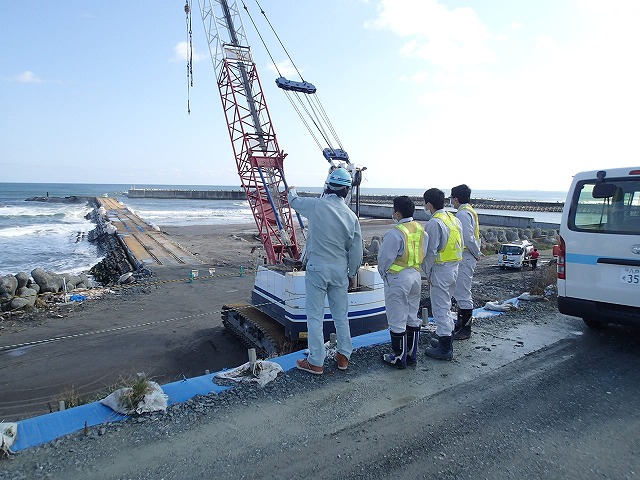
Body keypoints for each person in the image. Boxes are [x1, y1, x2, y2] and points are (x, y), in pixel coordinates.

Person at [287, 167, 363, 375]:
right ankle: (343, 357)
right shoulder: (351, 216)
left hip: (317, 269)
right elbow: (356, 251)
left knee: (314, 316)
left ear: (328, 186)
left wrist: (291, 191)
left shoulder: (316, 206)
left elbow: (294, 202)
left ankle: (316, 361)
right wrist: (352, 273)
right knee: (341, 316)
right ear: (347, 191)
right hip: (340, 270)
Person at [377, 196, 427, 369]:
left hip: (398, 278)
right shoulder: (421, 229)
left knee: (397, 318)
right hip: (415, 275)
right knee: (412, 316)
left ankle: (398, 357)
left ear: (397, 213)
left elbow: (384, 259)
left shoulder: (395, 233)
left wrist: (383, 274)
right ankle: (412, 354)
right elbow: (425, 251)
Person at [422, 188, 463, 360]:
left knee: (440, 308)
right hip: (454, 267)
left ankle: (445, 349)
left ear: (429, 204)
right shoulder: (453, 219)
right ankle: (443, 339)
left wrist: (427, 272)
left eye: (424, 203)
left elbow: (430, 251)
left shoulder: (434, 223)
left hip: (440, 269)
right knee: (445, 305)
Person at [450, 184, 481, 340]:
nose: (451, 202)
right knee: (460, 291)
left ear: (456, 198)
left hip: (466, 257)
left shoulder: (462, 214)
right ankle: (460, 324)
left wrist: (477, 253)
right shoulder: (470, 211)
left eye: (452, 198)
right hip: (468, 256)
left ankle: (465, 329)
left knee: (462, 293)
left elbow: (468, 238)